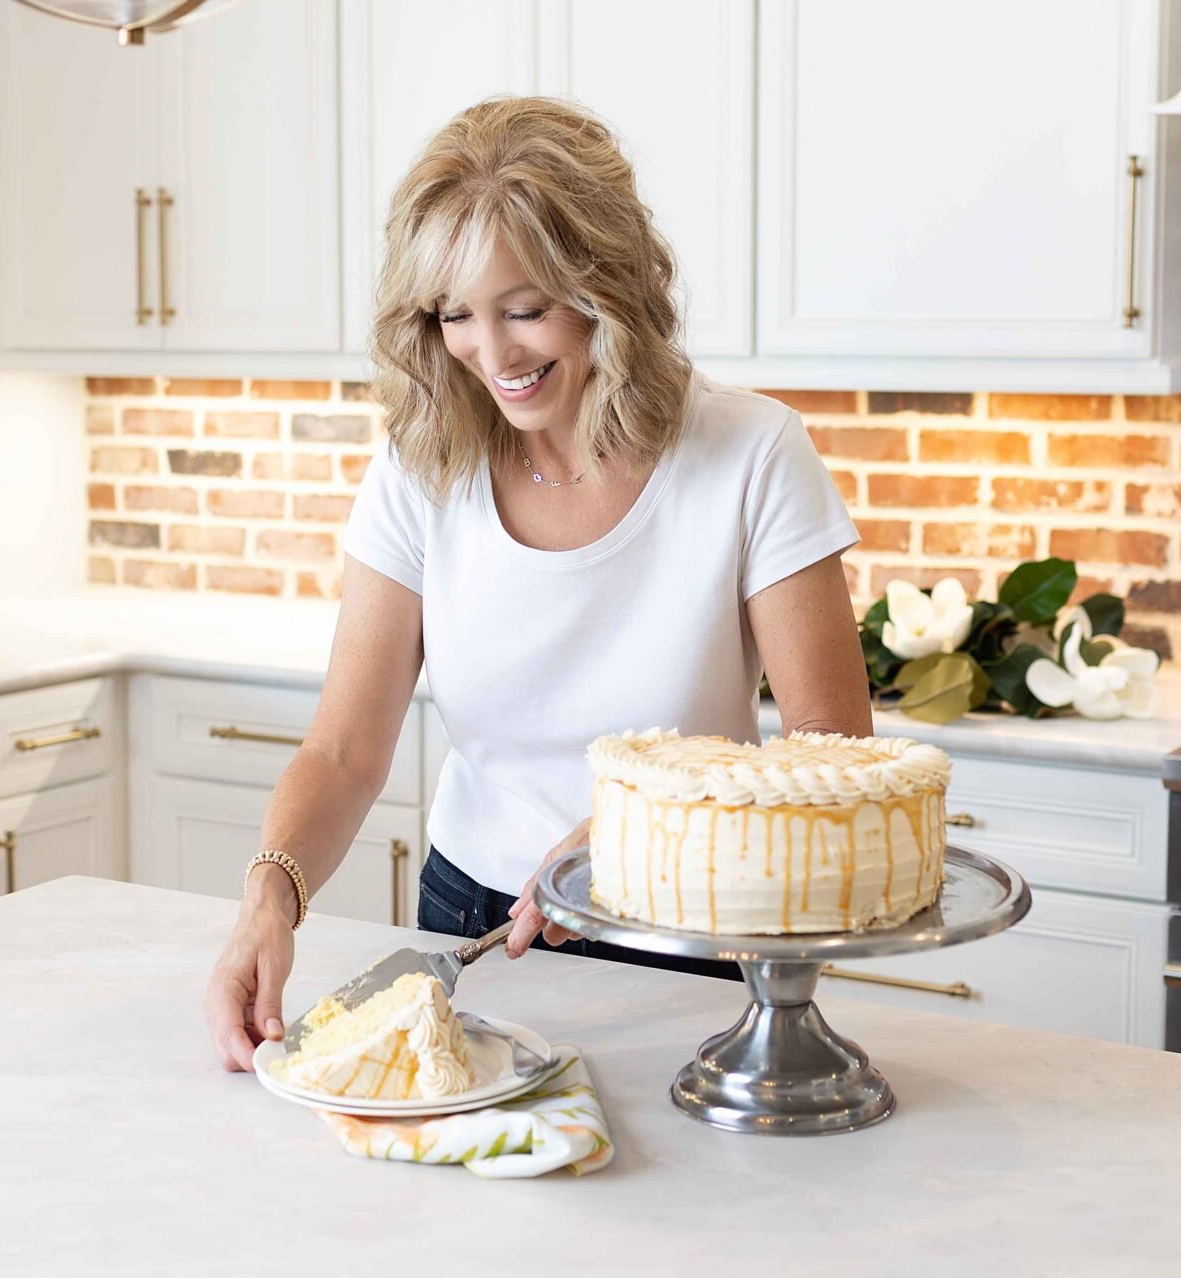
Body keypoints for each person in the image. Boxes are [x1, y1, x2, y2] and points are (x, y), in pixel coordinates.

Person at [204, 96, 871, 1073]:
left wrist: (644, 831)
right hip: (472, 930)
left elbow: (835, 755)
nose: (494, 354)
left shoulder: (749, 455)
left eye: (525, 309)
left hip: (683, 937)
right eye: (456, 315)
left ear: (609, 283)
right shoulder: (421, 463)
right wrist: (268, 901)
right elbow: (345, 752)